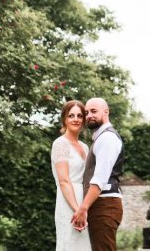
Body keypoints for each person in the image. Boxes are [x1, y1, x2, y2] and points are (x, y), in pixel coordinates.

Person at [72, 98, 124, 251]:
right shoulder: (101, 138)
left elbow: (99, 179)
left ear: (105, 112)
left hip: (105, 204)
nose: (89, 115)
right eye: (87, 112)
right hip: (102, 203)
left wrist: (83, 208)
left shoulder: (107, 138)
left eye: (94, 111)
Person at [51, 100, 92, 251]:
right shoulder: (60, 144)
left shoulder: (85, 147)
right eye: (71, 115)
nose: (75, 119)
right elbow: (63, 181)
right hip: (69, 201)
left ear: (84, 120)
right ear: (64, 119)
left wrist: (84, 208)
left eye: (79, 116)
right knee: (70, 244)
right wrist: (77, 210)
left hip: (84, 202)